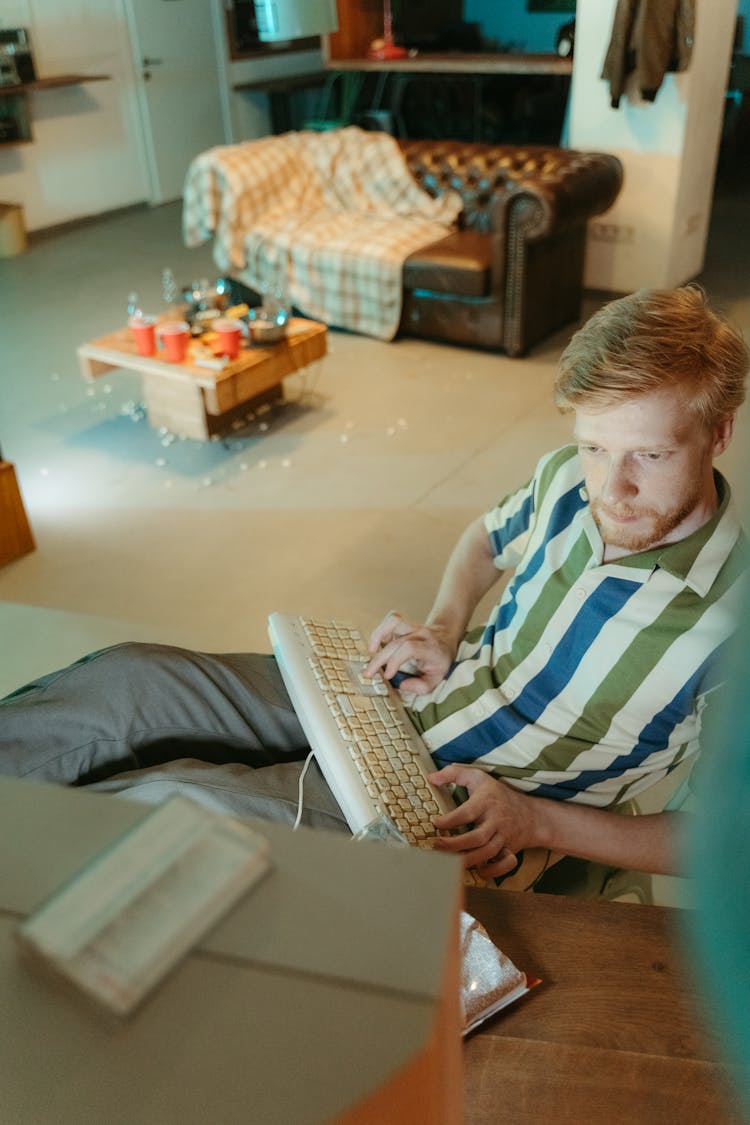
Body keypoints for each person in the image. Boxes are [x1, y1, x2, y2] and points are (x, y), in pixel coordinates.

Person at [1, 285, 747, 892]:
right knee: (135, 679)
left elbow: (721, 841)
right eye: (595, 447)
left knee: (175, 806)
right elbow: (487, 539)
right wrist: (445, 627)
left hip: (460, 807)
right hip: (398, 700)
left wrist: (539, 824)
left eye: (648, 453)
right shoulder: (564, 479)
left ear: (719, 434)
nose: (610, 488)